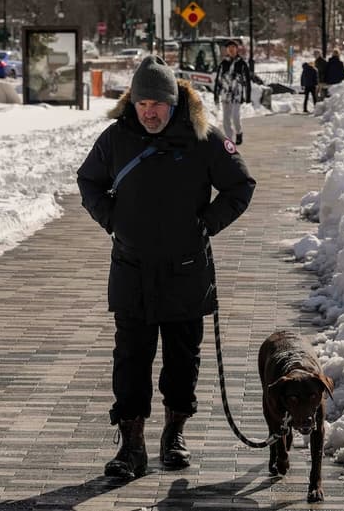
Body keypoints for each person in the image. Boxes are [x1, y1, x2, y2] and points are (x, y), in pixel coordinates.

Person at [76, 56, 257, 479]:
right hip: (132, 268)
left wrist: (207, 224)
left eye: (157, 103)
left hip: (186, 269)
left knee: (182, 359)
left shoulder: (203, 137)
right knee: (130, 360)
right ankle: (131, 445)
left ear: (173, 103)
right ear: (132, 103)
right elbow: (89, 182)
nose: (150, 112)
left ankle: (174, 433)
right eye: (142, 104)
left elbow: (240, 185)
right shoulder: (116, 138)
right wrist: (111, 219)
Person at [214, 41, 252, 145]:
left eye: (233, 47)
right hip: (225, 95)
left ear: (236, 49)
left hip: (237, 95)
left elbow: (247, 81)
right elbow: (218, 80)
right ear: (226, 50)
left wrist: (247, 96)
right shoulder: (223, 63)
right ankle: (229, 140)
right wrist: (216, 95)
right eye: (228, 48)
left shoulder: (242, 63)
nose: (231, 49)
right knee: (226, 118)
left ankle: (239, 132)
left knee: (235, 117)